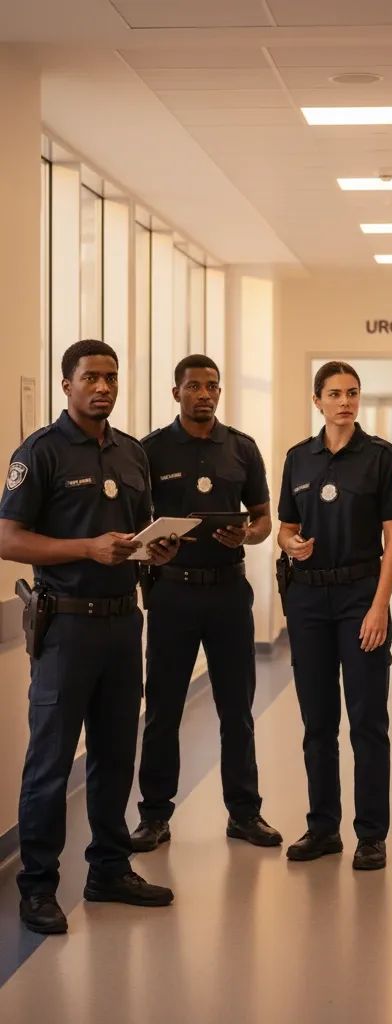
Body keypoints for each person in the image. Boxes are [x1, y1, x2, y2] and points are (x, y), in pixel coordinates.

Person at [0, 339, 177, 935]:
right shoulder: (40, 452)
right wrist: (87, 548)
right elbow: (8, 538)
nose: (102, 387)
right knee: (50, 761)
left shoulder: (131, 453)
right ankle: (38, 887)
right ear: (66, 385)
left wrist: (156, 547)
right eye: (90, 378)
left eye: (111, 378)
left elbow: (134, 533)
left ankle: (109, 868)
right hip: (66, 626)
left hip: (122, 623)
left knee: (114, 754)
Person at [129, 354, 281, 853]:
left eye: (212, 386)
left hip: (228, 592)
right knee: (164, 709)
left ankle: (244, 813)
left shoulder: (241, 449)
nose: (204, 394)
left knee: (236, 708)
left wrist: (247, 535)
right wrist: (150, 547)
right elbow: (135, 524)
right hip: (171, 591)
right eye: (194, 386)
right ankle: (154, 816)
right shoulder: (149, 451)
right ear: (176, 393)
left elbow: (263, 520)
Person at [277, 361, 392, 867]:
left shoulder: (380, 457)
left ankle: (371, 834)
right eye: (334, 394)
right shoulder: (298, 459)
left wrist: (381, 605)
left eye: (352, 393)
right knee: (317, 722)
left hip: (360, 596)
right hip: (308, 600)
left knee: (368, 721)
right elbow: (287, 526)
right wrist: (291, 545)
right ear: (318, 401)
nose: (345, 402)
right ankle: (322, 827)